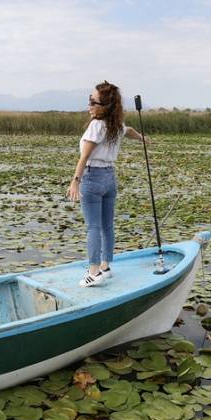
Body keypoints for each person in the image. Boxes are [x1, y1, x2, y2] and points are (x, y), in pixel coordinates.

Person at [66, 81, 144, 287]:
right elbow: (130, 130)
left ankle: (94, 272)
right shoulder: (116, 124)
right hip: (110, 178)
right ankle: (106, 267)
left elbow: (84, 157)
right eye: (89, 101)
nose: (89, 106)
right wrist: (143, 139)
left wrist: (75, 182)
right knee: (107, 226)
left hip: (92, 178)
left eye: (93, 102)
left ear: (105, 106)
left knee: (93, 226)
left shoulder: (96, 125)